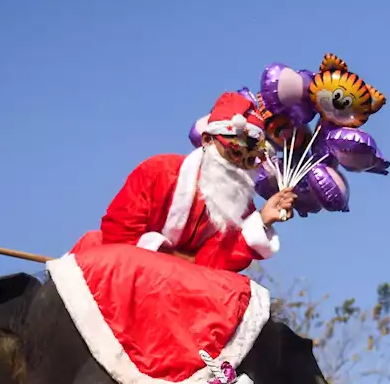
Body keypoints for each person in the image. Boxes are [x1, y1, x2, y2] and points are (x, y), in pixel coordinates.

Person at [71, 91, 298, 272]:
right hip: (129, 269)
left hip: (187, 286)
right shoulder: (159, 171)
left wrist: (263, 220)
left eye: (250, 160)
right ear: (208, 140)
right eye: (234, 153)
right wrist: (175, 260)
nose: (239, 165)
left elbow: (217, 265)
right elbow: (119, 233)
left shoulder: (240, 206)